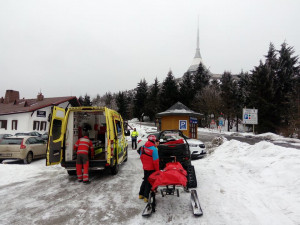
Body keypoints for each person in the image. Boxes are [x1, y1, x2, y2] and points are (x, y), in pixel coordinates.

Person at [139, 135, 159, 202]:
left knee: (145, 179)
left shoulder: (143, 147)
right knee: (149, 182)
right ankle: (146, 197)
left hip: (145, 167)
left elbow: (141, 157)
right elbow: (156, 162)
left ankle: (140, 194)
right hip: (152, 168)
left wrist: (144, 164)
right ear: (154, 140)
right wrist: (157, 171)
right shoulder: (154, 149)